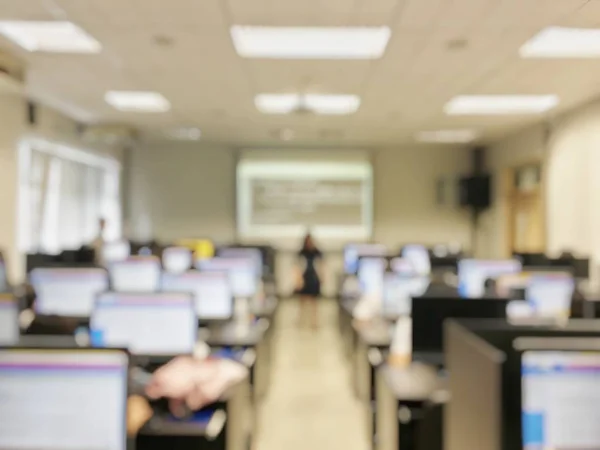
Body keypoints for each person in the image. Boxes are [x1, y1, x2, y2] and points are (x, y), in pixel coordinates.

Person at [296, 233, 323, 329]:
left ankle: (314, 322)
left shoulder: (317, 252)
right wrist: (298, 280)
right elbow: (297, 267)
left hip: (314, 278)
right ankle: (301, 321)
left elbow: (322, 265)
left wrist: (322, 278)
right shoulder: (302, 252)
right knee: (302, 301)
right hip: (304, 277)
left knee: (314, 302)